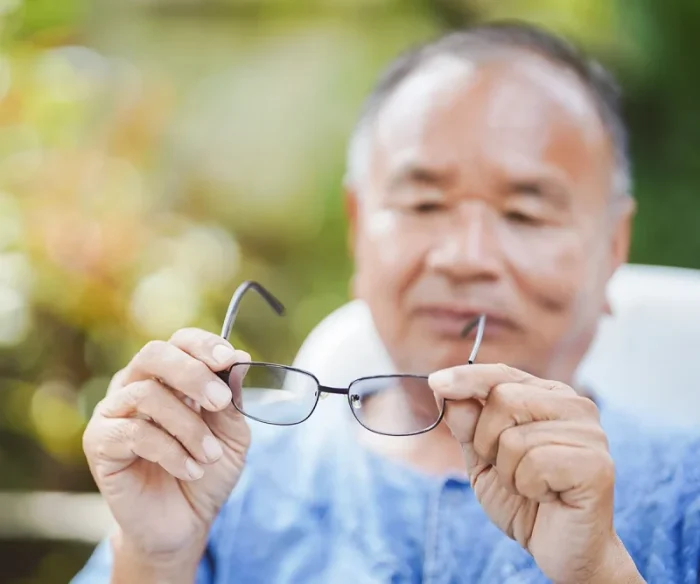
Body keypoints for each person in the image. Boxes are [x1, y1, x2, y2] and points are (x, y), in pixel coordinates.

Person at [73, 21, 700, 584]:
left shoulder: (685, 498)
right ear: (357, 230)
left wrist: (598, 572)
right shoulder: (212, 473)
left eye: (525, 211)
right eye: (424, 204)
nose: (466, 256)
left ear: (612, 246)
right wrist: (152, 561)